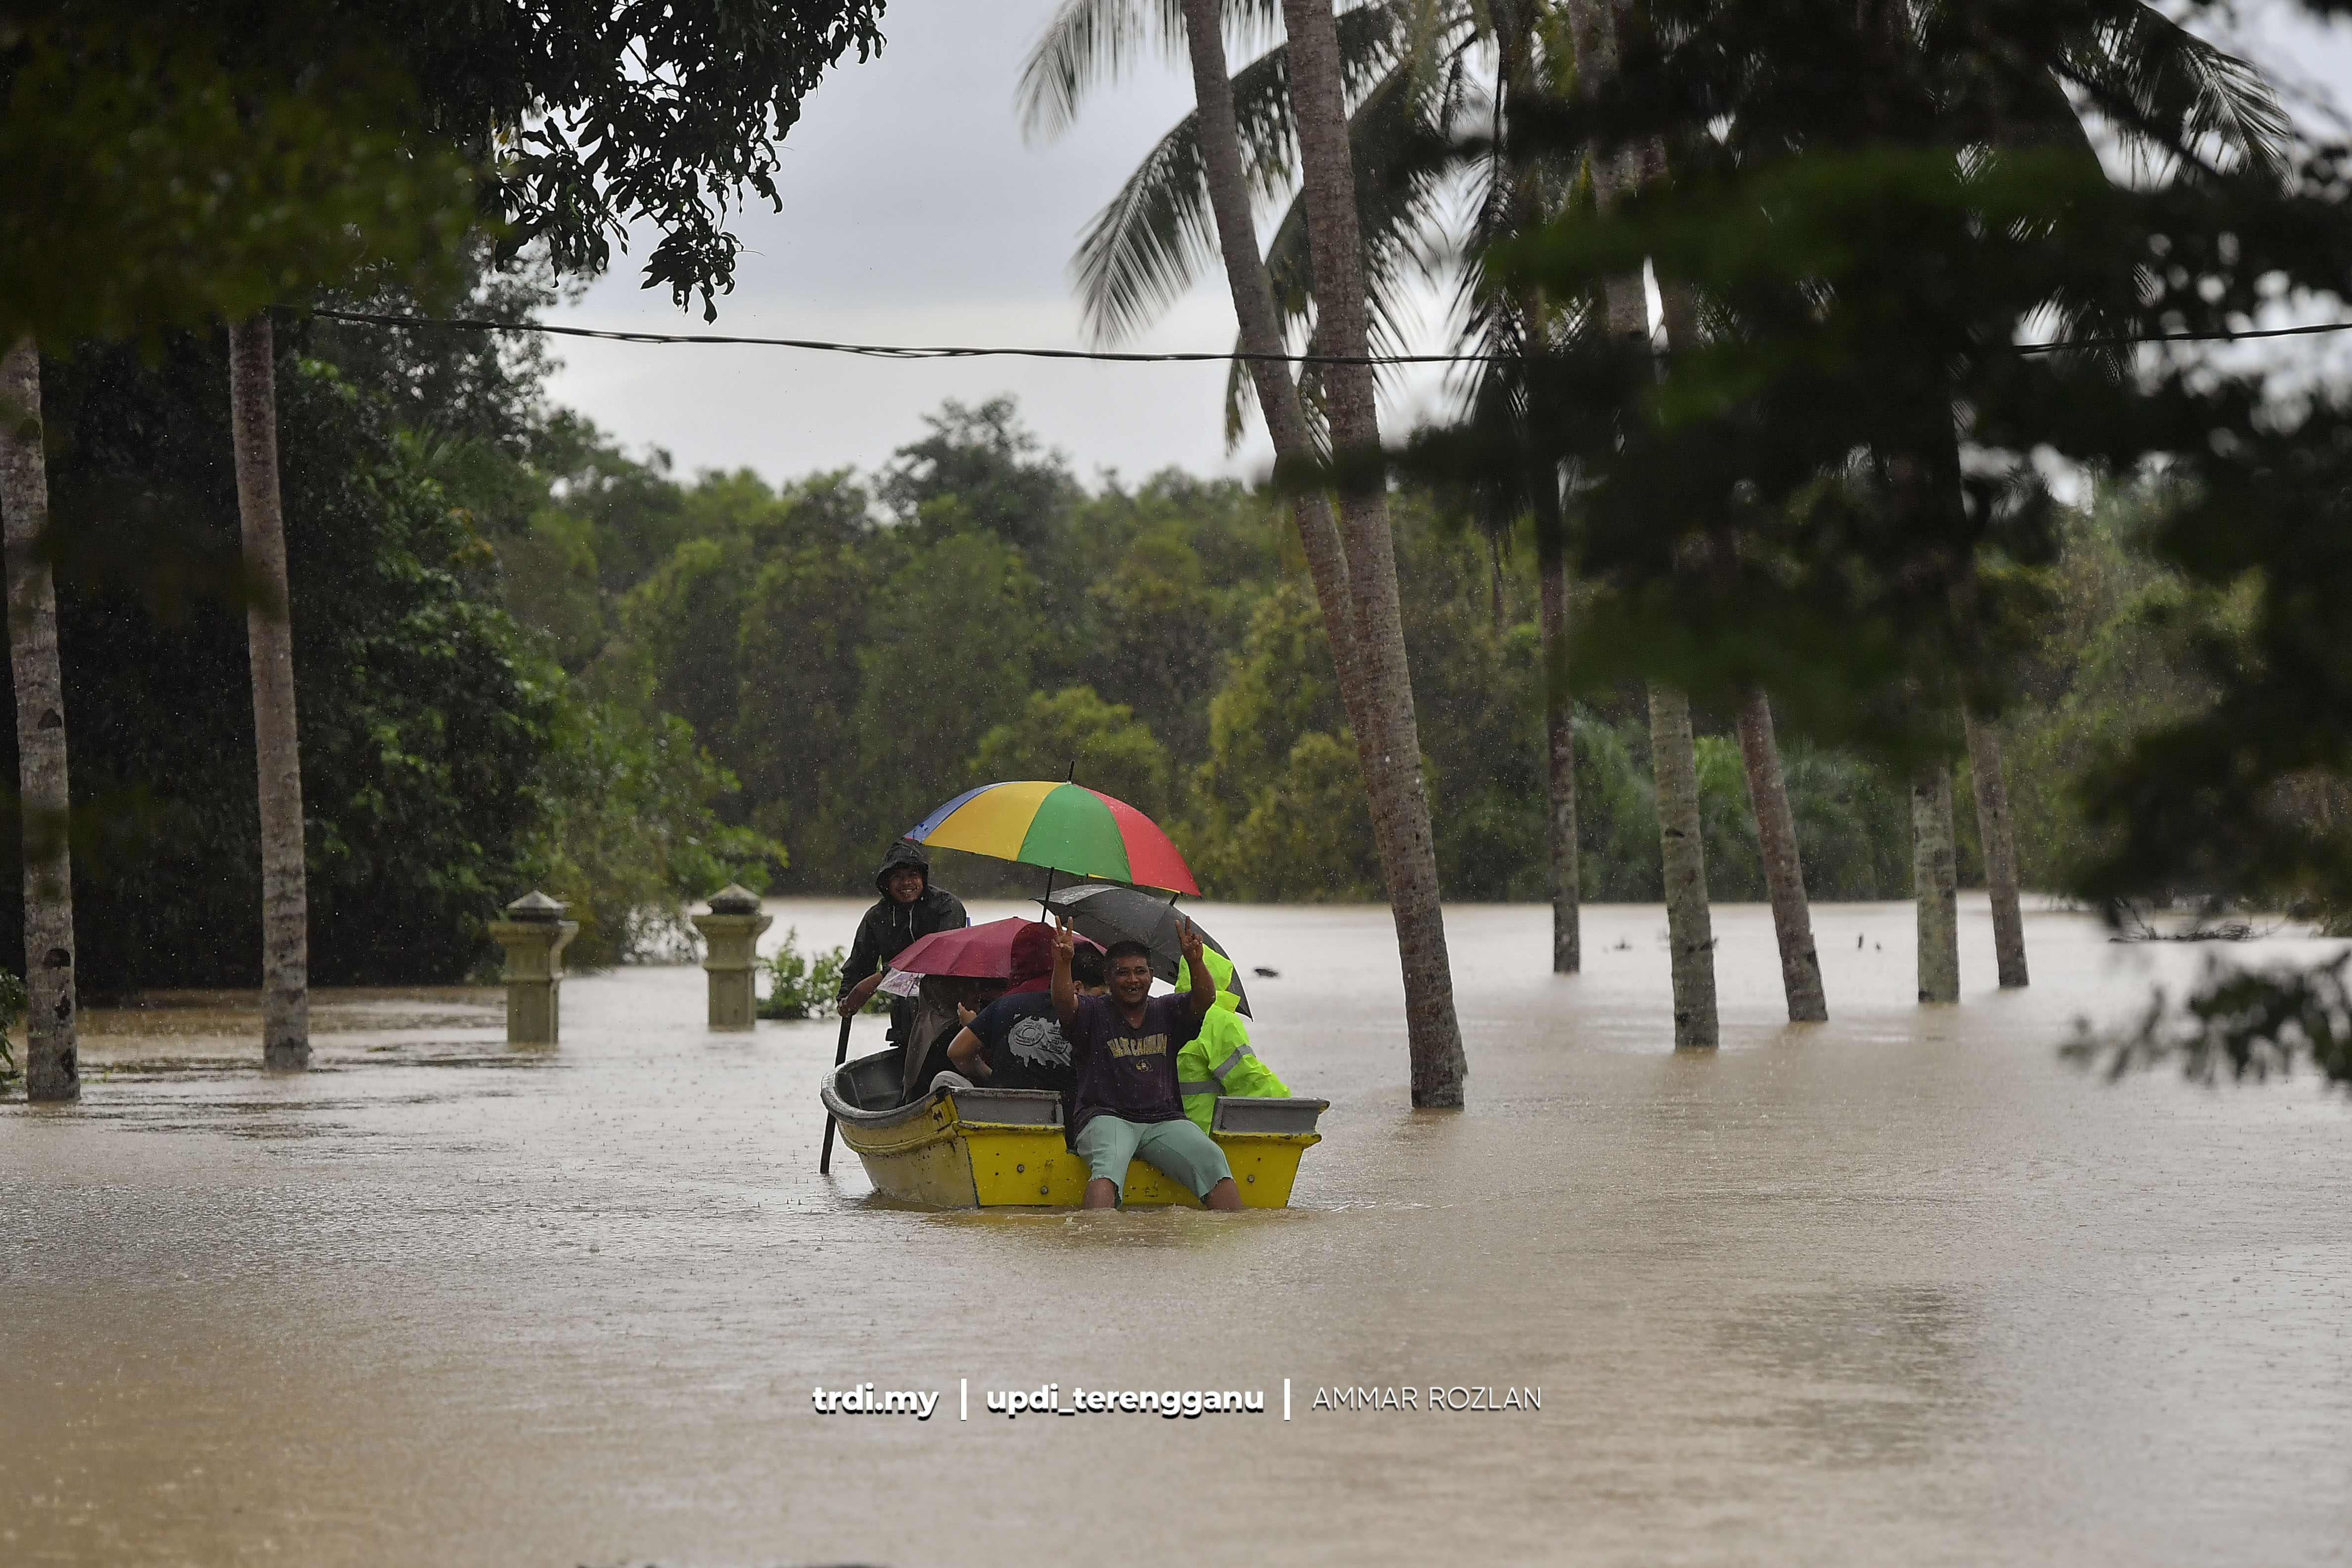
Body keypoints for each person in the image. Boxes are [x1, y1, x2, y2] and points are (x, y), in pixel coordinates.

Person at [1051, 916, 1244, 1211]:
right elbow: (1065, 1004)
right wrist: (1062, 963)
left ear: (1152, 975)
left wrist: (1195, 962)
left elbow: (1204, 999)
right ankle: (1095, 1239)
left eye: (1140, 972)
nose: (1133, 980)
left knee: (1212, 1157)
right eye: (1123, 973)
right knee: (1108, 1167)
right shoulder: (1093, 1012)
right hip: (1106, 1116)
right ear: (1108, 978)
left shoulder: (1167, 1010)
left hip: (1163, 1120)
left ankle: (1233, 1240)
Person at [940, 944, 1105, 1127]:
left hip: (1001, 1122)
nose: (1106, 1002)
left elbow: (958, 1052)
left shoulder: (1009, 1004)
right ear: (1077, 988)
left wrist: (993, 1079)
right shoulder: (1098, 1021)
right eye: (1102, 994)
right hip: (1071, 1129)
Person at [835, 839, 968, 1057]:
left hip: (949, 1009)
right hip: (904, 1019)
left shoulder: (947, 907)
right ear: (886, 883)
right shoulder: (877, 917)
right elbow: (859, 965)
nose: (907, 883)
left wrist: (881, 978)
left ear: (923, 878)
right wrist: (846, 1000)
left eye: (913, 876)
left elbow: (939, 959)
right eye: (898, 877)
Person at [1176, 947, 1291, 1133]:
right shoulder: (1219, 1021)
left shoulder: (1166, 1012)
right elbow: (1247, 1079)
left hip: (1171, 1130)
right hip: (1207, 1131)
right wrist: (1286, 1101)